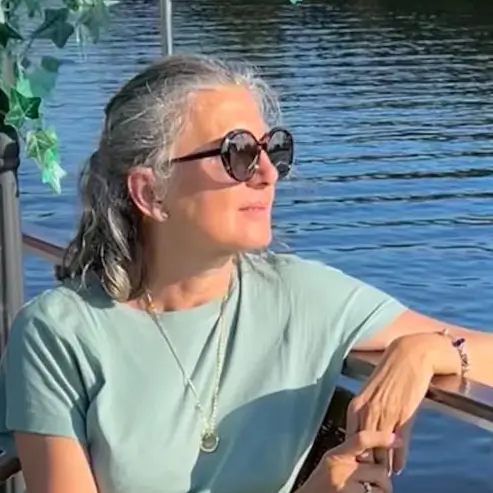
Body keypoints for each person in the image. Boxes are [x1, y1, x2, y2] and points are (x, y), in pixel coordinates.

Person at [0, 54, 492, 493]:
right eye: (236, 154)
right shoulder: (58, 334)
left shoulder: (302, 297)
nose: (269, 174)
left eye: (272, 149)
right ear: (150, 192)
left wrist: (427, 351)